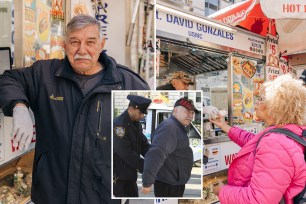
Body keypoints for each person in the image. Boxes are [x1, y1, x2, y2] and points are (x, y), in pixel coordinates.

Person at [0, 15, 149, 204]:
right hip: (51, 196)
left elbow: (146, 138)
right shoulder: (45, 74)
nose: (82, 50)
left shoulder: (127, 84)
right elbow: (8, 79)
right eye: (74, 42)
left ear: (101, 44)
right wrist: (19, 107)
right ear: (64, 45)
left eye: (90, 42)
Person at [210, 74, 306, 204]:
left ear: (275, 106)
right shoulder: (287, 132)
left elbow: (258, 200)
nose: (256, 103)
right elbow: (253, 141)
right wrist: (225, 126)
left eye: (261, 99)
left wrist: (222, 191)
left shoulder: (275, 143)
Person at [141, 97, 199, 197]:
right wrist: (147, 182)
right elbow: (155, 155)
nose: (190, 116)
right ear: (175, 110)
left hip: (173, 182)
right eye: (187, 111)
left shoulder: (177, 126)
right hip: (168, 185)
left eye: (192, 113)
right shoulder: (169, 128)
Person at [113, 94, 152, 197]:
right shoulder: (119, 125)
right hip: (119, 177)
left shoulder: (135, 123)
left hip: (129, 175)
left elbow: (143, 144)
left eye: (143, 114)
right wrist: (146, 166)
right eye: (140, 113)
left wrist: (155, 156)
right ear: (131, 109)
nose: (142, 116)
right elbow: (126, 153)